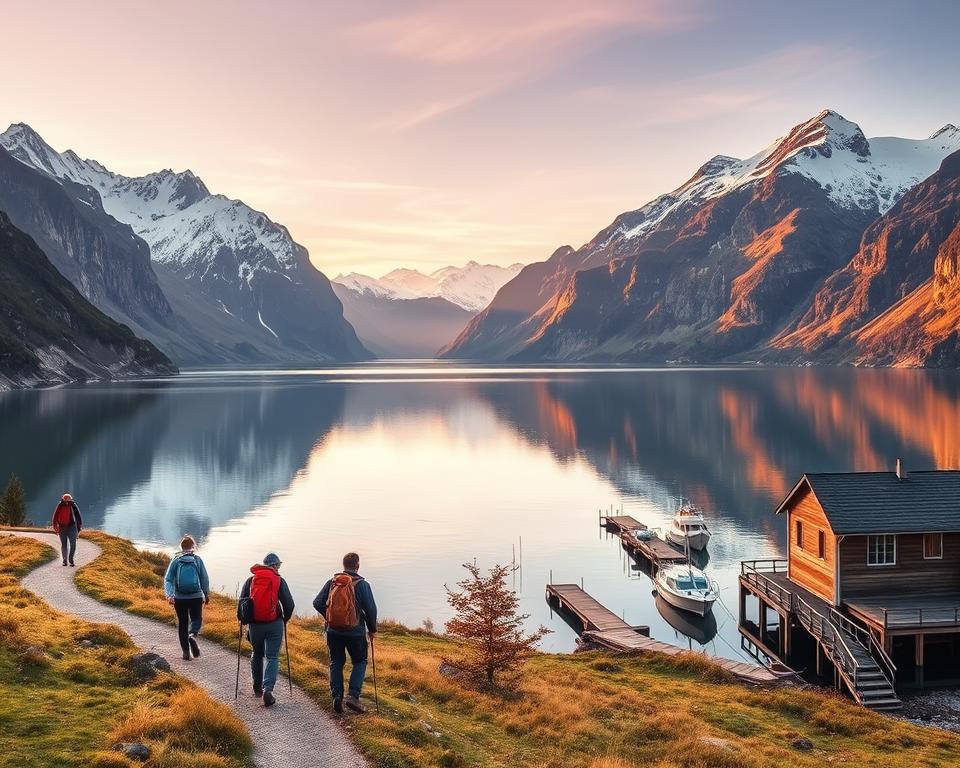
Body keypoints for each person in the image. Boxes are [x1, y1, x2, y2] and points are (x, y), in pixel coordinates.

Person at [313, 552, 378, 714]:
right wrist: (372, 630)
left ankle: (337, 696)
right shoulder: (362, 585)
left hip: (333, 631)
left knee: (336, 662)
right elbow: (370, 609)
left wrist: (330, 617)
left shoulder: (332, 582)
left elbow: (317, 603)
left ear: (343, 565)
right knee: (360, 661)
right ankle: (353, 697)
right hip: (355, 632)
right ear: (357, 566)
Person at [239, 553, 294, 707]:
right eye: (279, 565)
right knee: (272, 656)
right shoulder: (279, 580)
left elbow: (242, 602)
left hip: (255, 625)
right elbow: (289, 604)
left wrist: (245, 620)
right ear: (275, 565)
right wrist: (285, 619)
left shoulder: (251, 580)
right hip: (274, 623)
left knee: (257, 654)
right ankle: (268, 689)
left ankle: (257, 688)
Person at [163, 535, 210, 661]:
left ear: (181, 546)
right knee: (196, 619)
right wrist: (206, 593)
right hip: (196, 596)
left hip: (180, 598)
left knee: (182, 624)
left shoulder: (176, 560)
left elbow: (168, 579)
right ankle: (193, 634)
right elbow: (204, 578)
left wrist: (170, 595)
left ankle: (185, 653)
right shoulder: (197, 560)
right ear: (193, 546)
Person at [51, 493, 82, 567]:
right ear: (63, 499)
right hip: (64, 528)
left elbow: (78, 518)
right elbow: (55, 516)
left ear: (70, 499)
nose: (67, 500)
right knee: (66, 544)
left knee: (70, 544)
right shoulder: (62, 505)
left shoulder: (72, 506)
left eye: (68, 498)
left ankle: (69, 560)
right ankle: (66, 560)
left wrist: (78, 529)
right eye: (66, 499)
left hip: (70, 527)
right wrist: (55, 526)